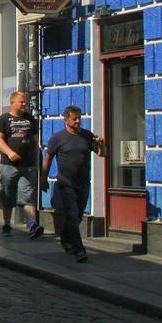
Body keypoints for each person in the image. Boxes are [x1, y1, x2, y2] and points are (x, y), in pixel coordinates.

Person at [42, 105, 106, 263]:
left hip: (83, 183)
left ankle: (64, 238)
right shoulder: (57, 138)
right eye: (74, 119)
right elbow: (48, 158)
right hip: (65, 183)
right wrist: (43, 178)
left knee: (76, 217)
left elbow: (101, 154)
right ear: (66, 120)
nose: (78, 121)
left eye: (79, 118)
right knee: (72, 214)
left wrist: (101, 144)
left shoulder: (86, 135)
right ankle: (79, 250)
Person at [0, 91, 44, 238]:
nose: (24, 104)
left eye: (25, 102)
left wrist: (36, 162)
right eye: (21, 102)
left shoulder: (30, 120)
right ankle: (7, 223)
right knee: (8, 195)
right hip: (9, 164)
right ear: (12, 103)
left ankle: (32, 224)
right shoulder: (3, 119)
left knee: (28, 195)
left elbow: (35, 142)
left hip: (27, 165)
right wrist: (9, 152)